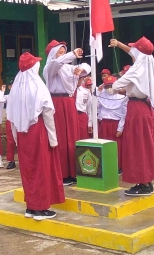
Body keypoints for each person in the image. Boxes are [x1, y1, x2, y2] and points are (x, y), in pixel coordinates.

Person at [7, 52, 65, 221]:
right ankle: (41, 209)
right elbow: (47, 113)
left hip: (22, 133)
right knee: (41, 169)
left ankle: (31, 207)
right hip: (38, 131)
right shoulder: (38, 86)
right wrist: (53, 138)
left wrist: (17, 138)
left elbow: (10, 115)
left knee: (28, 171)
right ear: (34, 67)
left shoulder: (16, 87)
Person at [109, 37, 154, 196]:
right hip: (143, 107)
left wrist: (112, 88)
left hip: (137, 109)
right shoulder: (147, 64)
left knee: (138, 146)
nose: (132, 53)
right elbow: (133, 51)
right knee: (145, 145)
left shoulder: (137, 69)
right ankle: (146, 180)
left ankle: (144, 183)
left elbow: (120, 82)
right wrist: (119, 44)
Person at [43, 40, 88, 186]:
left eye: (64, 52)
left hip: (69, 102)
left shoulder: (68, 67)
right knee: (61, 137)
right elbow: (57, 63)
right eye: (60, 52)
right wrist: (72, 54)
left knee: (72, 136)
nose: (63, 55)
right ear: (52, 54)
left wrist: (80, 70)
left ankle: (74, 172)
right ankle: (62, 173)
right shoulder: (50, 67)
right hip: (57, 102)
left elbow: (87, 67)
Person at [94, 75, 127, 173]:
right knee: (104, 145)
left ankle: (117, 166)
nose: (109, 88)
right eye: (107, 86)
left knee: (116, 147)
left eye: (111, 86)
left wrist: (120, 128)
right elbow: (96, 108)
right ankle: (105, 165)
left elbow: (124, 115)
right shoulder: (101, 96)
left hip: (115, 124)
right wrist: (98, 92)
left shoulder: (121, 98)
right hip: (104, 123)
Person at [3, 79, 17, 170]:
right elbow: (0, 99)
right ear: (9, 87)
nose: (13, 87)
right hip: (10, 120)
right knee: (10, 141)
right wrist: (2, 91)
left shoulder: (21, 96)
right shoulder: (7, 97)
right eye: (11, 85)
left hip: (20, 120)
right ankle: (11, 161)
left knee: (22, 141)